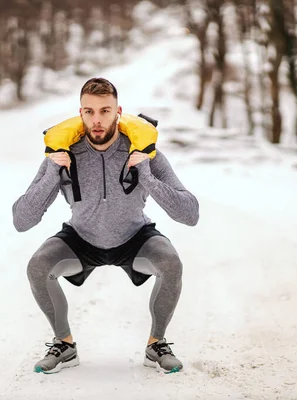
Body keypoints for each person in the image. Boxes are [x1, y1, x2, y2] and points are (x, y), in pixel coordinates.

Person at [12, 77, 199, 374]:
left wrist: (146, 173)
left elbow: (190, 214)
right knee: (38, 266)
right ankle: (65, 344)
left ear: (118, 111)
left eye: (104, 111)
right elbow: (22, 220)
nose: (97, 120)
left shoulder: (143, 150)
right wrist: (52, 172)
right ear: (80, 112)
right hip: (81, 239)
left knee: (171, 263)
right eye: (89, 111)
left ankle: (156, 344)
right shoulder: (63, 153)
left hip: (135, 237)